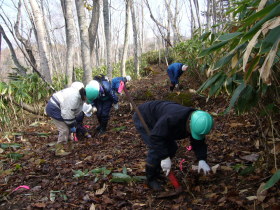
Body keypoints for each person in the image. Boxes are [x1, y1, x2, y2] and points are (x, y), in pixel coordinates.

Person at [133, 100, 214, 191]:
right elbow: (156, 137)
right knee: (156, 151)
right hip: (144, 117)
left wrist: (202, 159)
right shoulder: (172, 119)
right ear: (189, 124)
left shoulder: (199, 120)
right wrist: (164, 157)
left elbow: (198, 141)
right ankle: (150, 178)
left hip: (160, 121)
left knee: (172, 148)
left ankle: (158, 171)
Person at [45, 81, 99, 156]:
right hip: (54, 108)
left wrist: (91, 109)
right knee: (64, 129)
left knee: (69, 128)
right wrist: (72, 125)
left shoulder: (81, 95)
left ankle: (69, 146)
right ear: (85, 95)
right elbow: (67, 114)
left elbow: (82, 107)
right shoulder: (73, 98)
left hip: (62, 108)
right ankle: (59, 150)